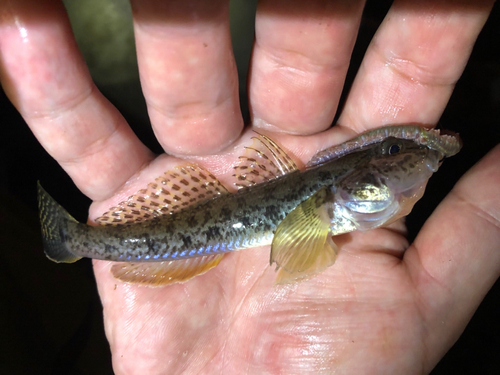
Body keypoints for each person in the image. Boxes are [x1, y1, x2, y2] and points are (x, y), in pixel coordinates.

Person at [1, 0, 498, 373]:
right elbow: (303, 242)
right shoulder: (339, 194)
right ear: (357, 180)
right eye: (389, 156)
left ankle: (75, 243)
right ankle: (74, 242)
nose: (402, 163)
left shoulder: (358, 187)